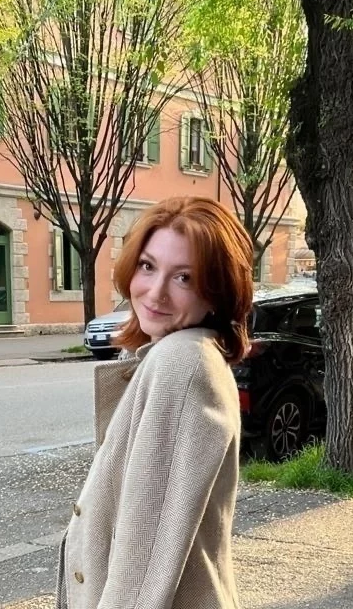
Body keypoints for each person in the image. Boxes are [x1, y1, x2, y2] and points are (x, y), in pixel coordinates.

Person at [55, 196, 254, 609]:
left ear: (216, 294)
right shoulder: (182, 353)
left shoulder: (182, 363)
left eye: (184, 278)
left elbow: (143, 555)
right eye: (147, 266)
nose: (156, 293)